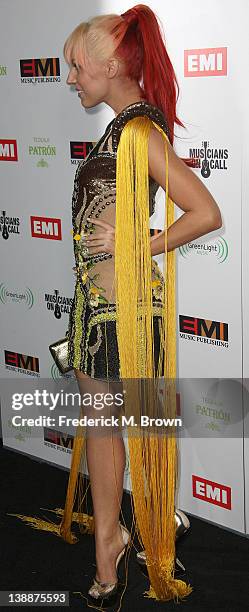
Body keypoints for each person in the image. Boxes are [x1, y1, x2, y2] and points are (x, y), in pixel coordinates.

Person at [17, 4, 222, 609]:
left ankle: (116, 551)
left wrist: (139, 244)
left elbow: (206, 212)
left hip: (124, 313)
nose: (71, 79)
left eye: (77, 67)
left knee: (115, 433)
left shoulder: (137, 132)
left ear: (110, 65)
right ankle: (116, 540)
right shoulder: (122, 129)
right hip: (98, 309)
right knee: (104, 433)